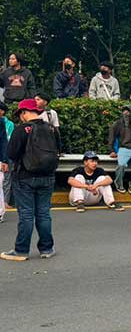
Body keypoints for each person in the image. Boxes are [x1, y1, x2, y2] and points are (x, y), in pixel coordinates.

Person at [1, 99, 60, 262]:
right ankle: (47, 248)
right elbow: (58, 149)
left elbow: (11, 153)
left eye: (21, 114)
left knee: (26, 215)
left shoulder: (22, 129)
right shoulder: (52, 129)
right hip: (48, 176)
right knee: (43, 213)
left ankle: (21, 250)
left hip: (25, 177)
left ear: (24, 112)